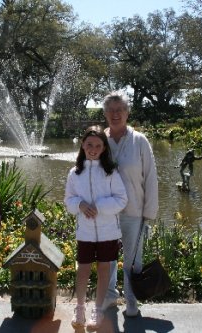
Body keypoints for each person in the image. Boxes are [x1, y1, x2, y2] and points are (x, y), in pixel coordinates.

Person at [64, 125, 128, 330]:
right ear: (82, 145)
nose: (93, 149)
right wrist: (80, 205)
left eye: (98, 146)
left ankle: (98, 310)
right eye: (89, 144)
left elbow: (121, 200)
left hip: (108, 231)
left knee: (103, 269)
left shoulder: (110, 171)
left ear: (103, 148)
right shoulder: (74, 173)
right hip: (85, 232)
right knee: (82, 270)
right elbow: (69, 201)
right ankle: (80, 307)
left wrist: (99, 207)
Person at [101, 91, 159, 317]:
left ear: (127, 112)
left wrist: (148, 212)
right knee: (108, 257)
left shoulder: (139, 141)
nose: (115, 114)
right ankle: (109, 296)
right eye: (111, 110)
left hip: (134, 211)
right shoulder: (100, 140)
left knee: (133, 260)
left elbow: (151, 177)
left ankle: (132, 301)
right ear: (105, 113)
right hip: (106, 212)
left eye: (120, 110)